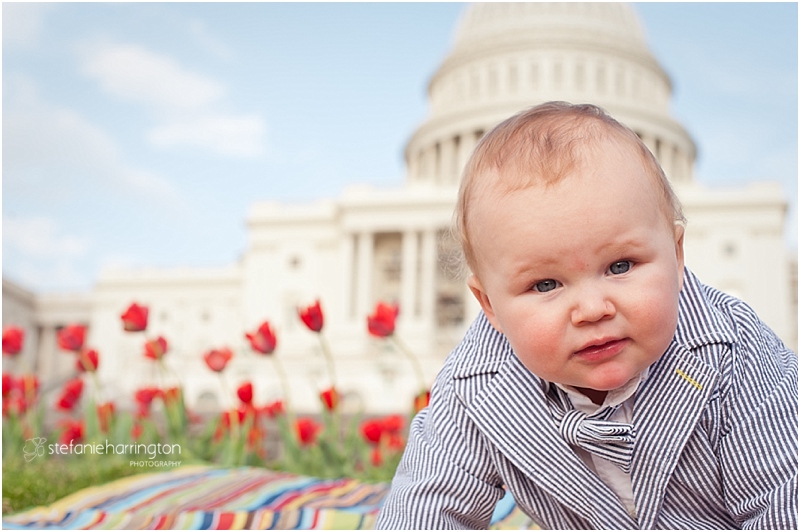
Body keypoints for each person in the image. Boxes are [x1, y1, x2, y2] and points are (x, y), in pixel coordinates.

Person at [376, 102, 797, 529]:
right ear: (490, 307)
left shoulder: (736, 351)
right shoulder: (476, 387)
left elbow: (785, 496)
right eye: (545, 285)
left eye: (620, 266)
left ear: (676, 254)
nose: (593, 310)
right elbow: (428, 507)